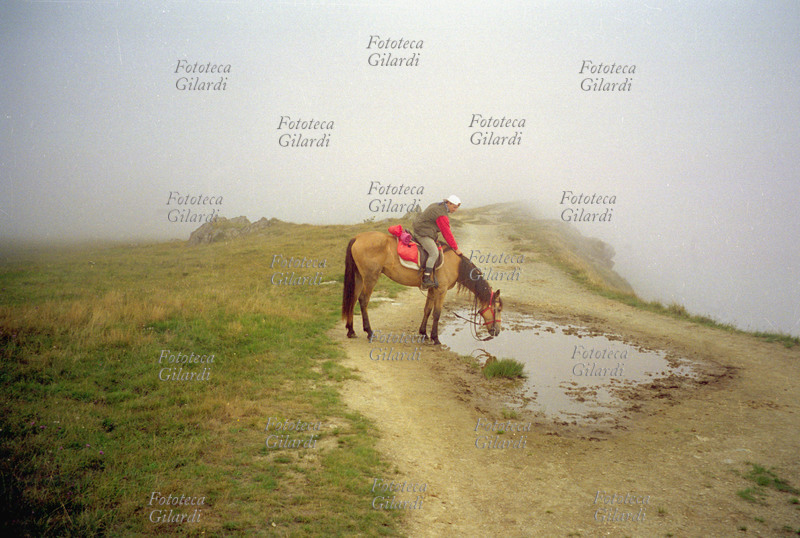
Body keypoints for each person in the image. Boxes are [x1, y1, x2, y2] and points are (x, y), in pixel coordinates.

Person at [412, 195, 463, 289]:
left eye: (457, 208)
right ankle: (426, 278)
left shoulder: (438, 205)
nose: (455, 210)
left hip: (423, 229)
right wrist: (456, 248)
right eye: (454, 207)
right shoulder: (441, 214)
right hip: (422, 233)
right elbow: (447, 233)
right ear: (449, 203)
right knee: (434, 253)